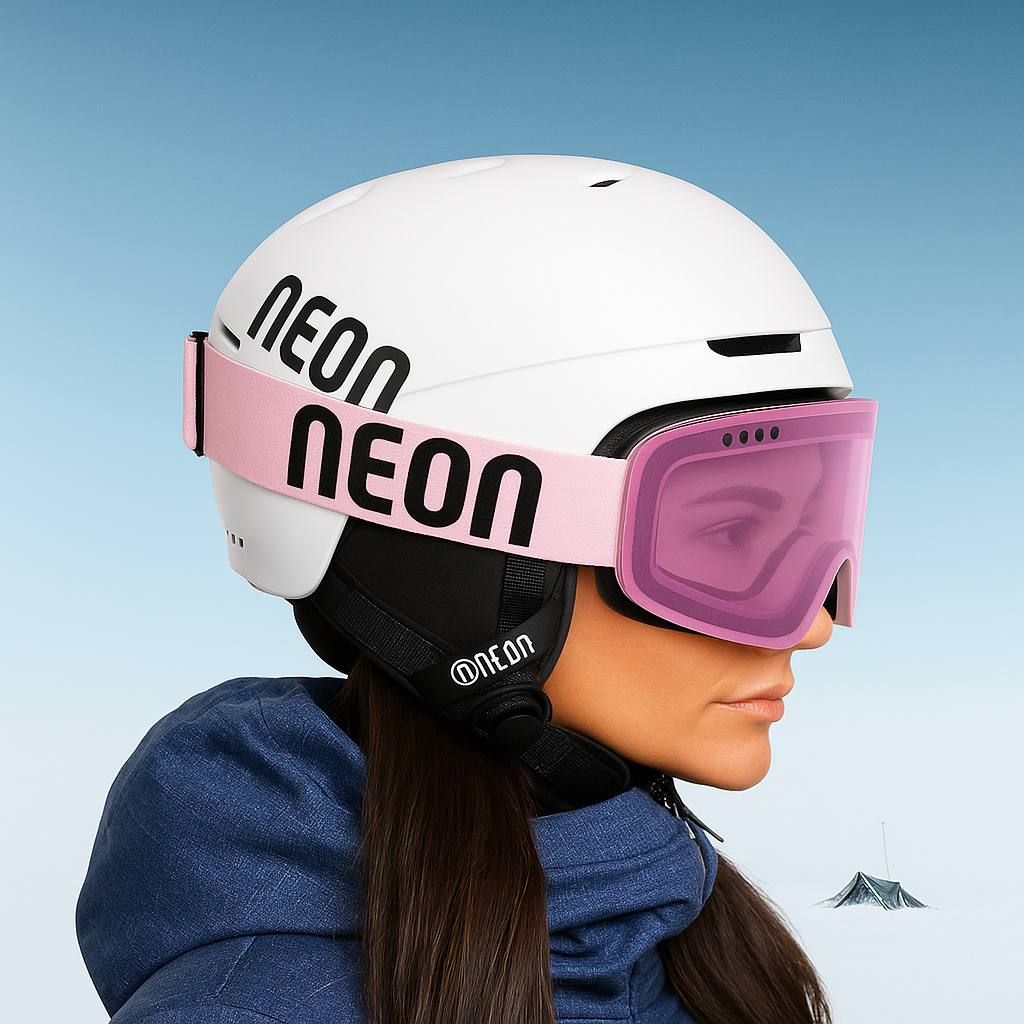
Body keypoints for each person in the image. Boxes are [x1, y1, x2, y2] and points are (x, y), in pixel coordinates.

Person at [76, 155, 878, 1024]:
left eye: (812, 529)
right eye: (725, 536)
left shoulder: (685, 936)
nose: (812, 624)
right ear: (456, 558)